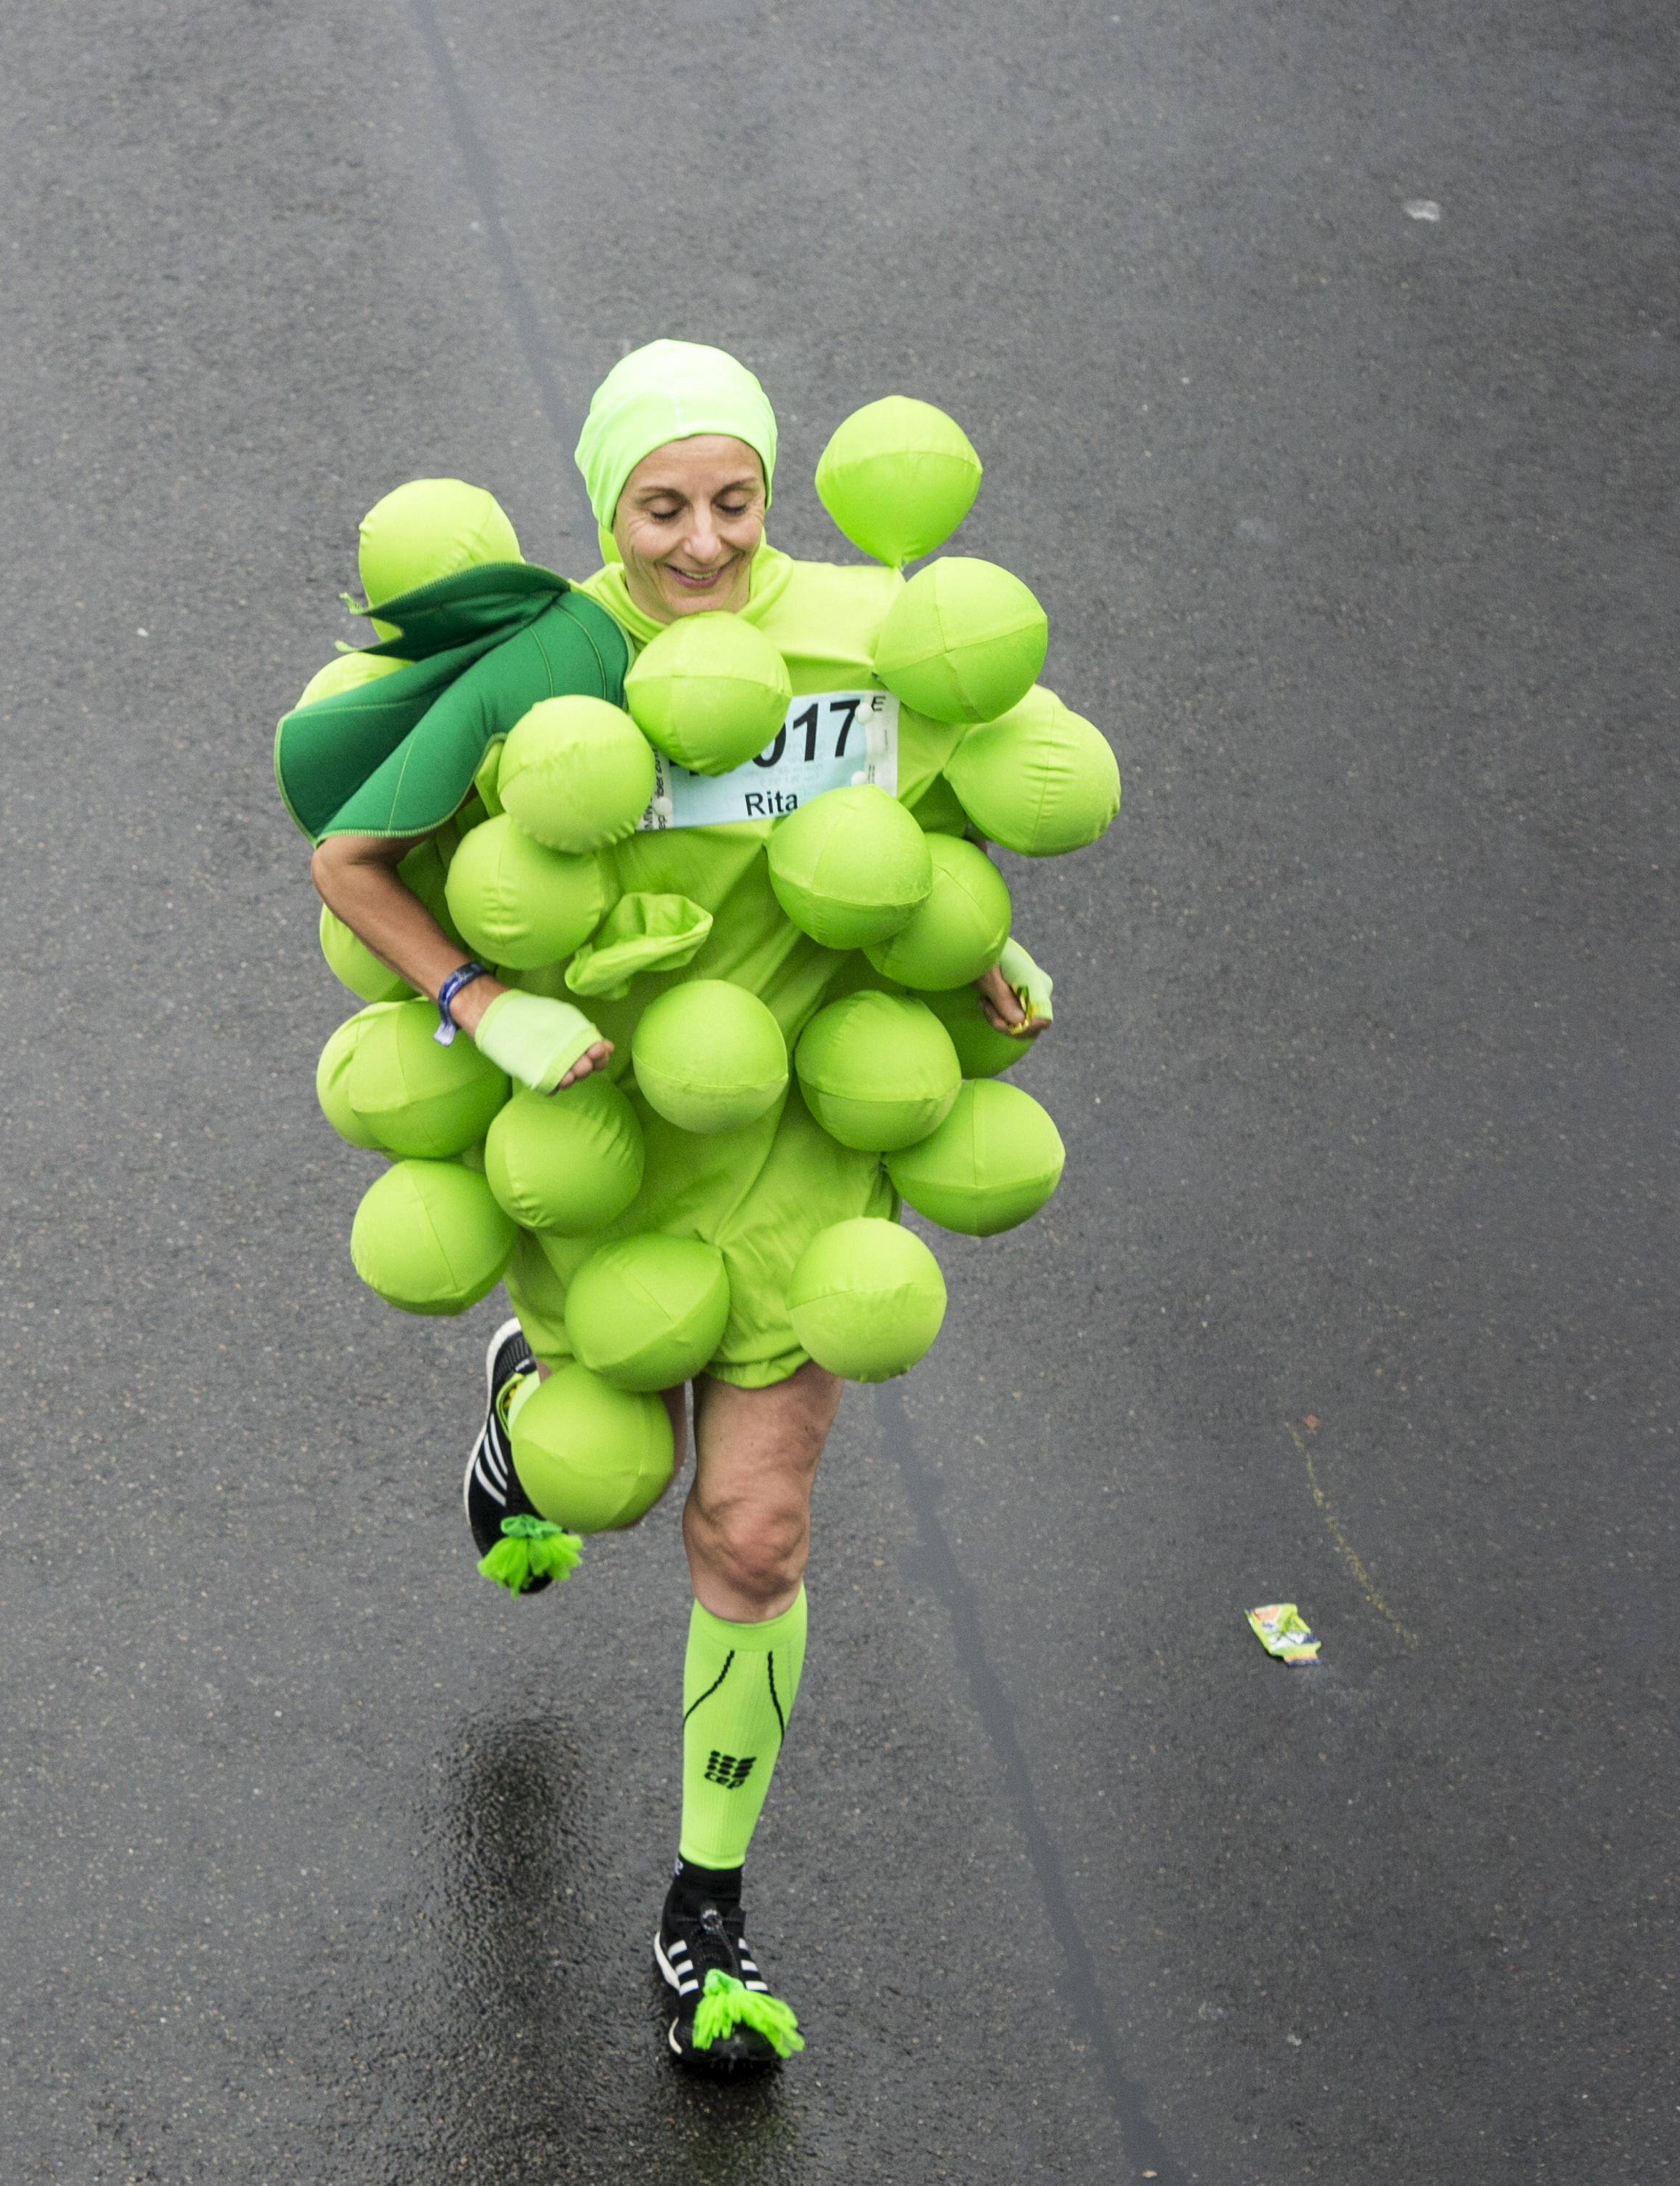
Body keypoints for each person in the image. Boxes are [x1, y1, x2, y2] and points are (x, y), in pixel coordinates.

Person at [306, 341, 1051, 2072]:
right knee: (615, 1475)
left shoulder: (863, 632)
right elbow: (348, 851)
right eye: (662, 505)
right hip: (605, 1136)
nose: (702, 541)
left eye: (732, 500)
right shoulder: (537, 660)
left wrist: (974, 943)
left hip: (796, 1127)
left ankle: (700, 1912)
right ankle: (520, 1405)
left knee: (754, 1530)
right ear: (604, 506)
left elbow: (917, 808)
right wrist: (482, 1003)